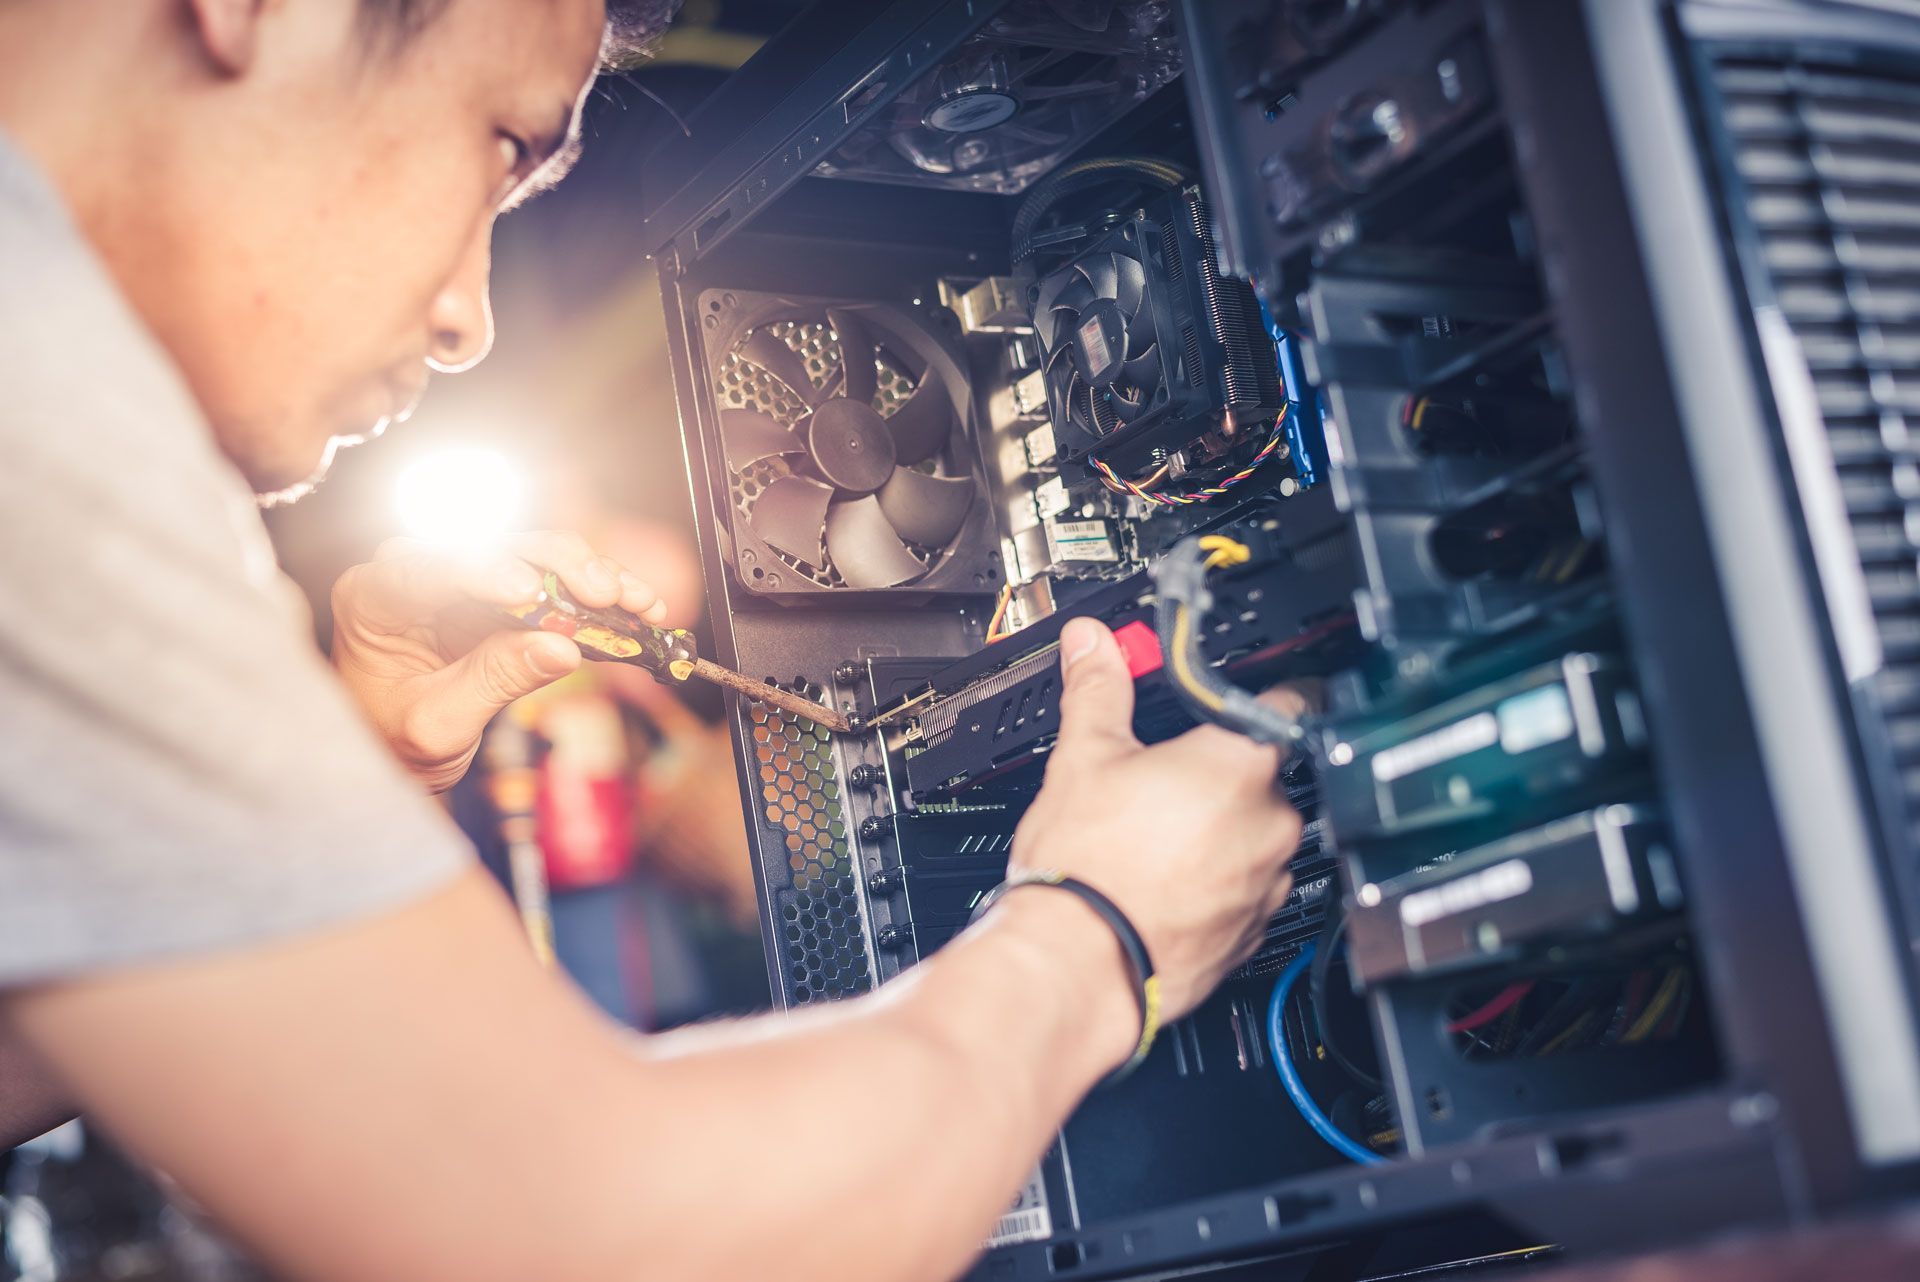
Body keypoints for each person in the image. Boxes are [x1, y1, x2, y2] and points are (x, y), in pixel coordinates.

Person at [0, 3, 1305, 1280]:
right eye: (505, 141)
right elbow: (580, 1235)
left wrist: (338, 795)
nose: (468, 320)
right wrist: (1094, 935)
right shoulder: (41, 391)